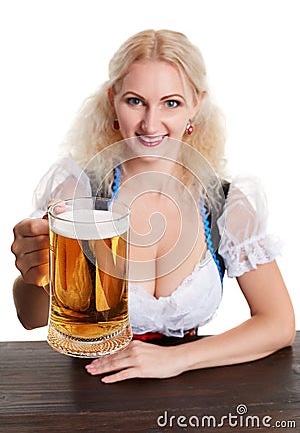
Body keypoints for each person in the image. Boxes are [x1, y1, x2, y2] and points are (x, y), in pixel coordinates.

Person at [11, 29, 295, 383]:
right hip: (90, 390)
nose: (150, 123)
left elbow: (279, 323)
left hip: (192, 399)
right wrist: (36, 271)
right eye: (135, 101)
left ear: (196, 104)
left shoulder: (224, 203)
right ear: (113, 99)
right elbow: (30, 315)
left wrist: (177, 359)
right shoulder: (81, 193)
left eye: (171, 103)